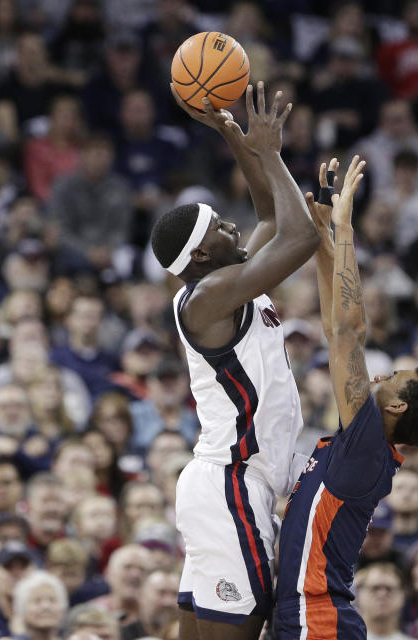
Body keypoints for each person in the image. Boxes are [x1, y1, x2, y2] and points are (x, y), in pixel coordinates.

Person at [150, 82, 315, 640]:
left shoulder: (227, 282)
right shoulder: (208, 298)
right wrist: (270, 151)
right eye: (220, 227)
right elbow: (300, 235)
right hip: (231, 484)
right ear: (200, 256)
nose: (234, 226)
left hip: (226, 485)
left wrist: (232, 135)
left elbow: (269, 209)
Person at [275, 156, 418, 640]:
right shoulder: (367, 447)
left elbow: (348, 333)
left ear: (398, 407)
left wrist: (344, 230)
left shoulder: (367, 446)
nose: (381, 375)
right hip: (310, 615)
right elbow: (337, 325)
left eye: (394, 376)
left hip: (316, 619)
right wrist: (321, 245)